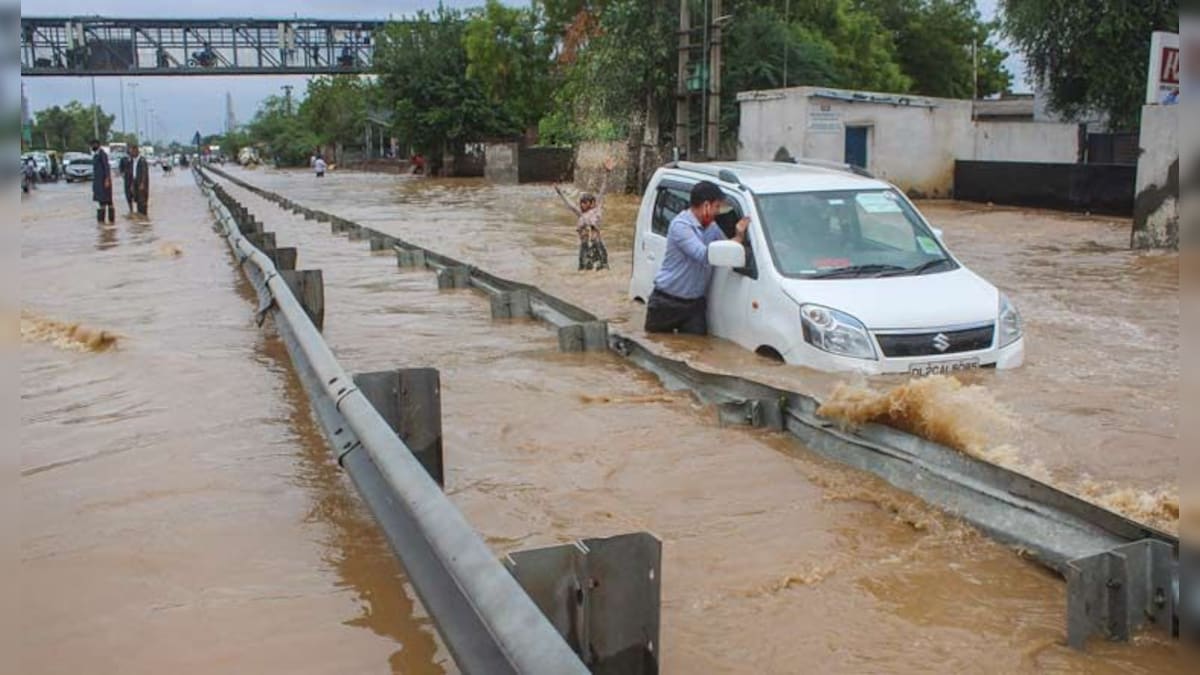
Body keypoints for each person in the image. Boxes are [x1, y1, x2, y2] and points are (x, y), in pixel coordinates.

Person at [644, 180, 748, 335]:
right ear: (706, 205)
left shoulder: (711, 227)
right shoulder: (680, 226)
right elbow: (704, 255)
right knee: (655, 348)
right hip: (667, 302)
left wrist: (739, 236)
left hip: (695, 305)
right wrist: (735, 242)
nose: (718, 211)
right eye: (717, 207)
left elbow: (725, 247)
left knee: (697, 351)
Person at [554, 157, 615, 271]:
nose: (582, 205)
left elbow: (603, 190)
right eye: (581, 203)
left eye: (585, 203)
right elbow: (570, 204)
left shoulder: (596, 210)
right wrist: (560, 193)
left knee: (603, 270)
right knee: (583, 270)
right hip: (584, 247)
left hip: (597, 245)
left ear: (592, 203)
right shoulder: (581, 214)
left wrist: (607, 173)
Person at [90, 140, 115, 223]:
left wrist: (107, 179)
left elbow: (106, 167)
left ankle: (109, 221)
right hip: (98, 183)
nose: (93, 146)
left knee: (106, 201)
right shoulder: (95, 155)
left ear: (98, 145)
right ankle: (103, 223)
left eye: (94, 144)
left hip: (104, 182)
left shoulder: (102, 154)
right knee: (102, 202)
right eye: (92, 145)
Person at [129, 144, 150, 215]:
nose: (131, 153)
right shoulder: (132, 161)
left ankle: (144, 217)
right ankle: (140, 218)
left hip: (142, 183)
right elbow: (132, 173)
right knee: (137, 200)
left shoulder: (142, 160)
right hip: (135, 182)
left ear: (136, 151)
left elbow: (145, 173)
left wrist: (142, 183)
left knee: (142, 201)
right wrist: (132, 184)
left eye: (132, 151)